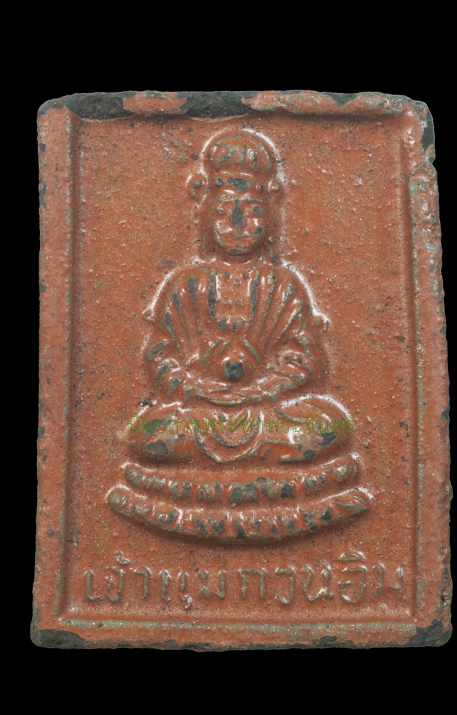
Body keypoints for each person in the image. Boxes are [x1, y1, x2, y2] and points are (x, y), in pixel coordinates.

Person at [125, 131, 353, 467]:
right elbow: (160, 357)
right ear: (206, 215)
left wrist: (264, 388)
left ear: (270, 217)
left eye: (252, 211)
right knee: (147, 434)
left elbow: (305, 360)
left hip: (266, 413)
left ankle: (204, 482)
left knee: (328, 427)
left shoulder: (283, 285)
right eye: (223, 211)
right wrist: (197, 388)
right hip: (199, 413)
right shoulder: (185, 284)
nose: (237, 223)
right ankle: (269, 481)